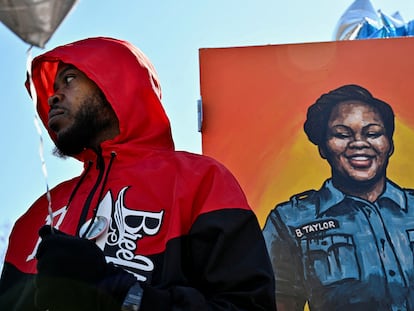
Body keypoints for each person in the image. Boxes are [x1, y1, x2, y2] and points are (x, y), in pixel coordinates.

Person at [0, 37, 276, 311]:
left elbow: (249, 307)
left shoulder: (200, 180)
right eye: (52, 88)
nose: (53, 96)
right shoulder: (33, 219)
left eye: (70, 79)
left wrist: (121, 295)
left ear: (118, 83)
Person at [263, 84, 414, 311]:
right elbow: (276, 302)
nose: (359, 144)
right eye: (342, 135)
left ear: (389, 144)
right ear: (323, 148)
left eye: (372, 133)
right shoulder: (289, 220)